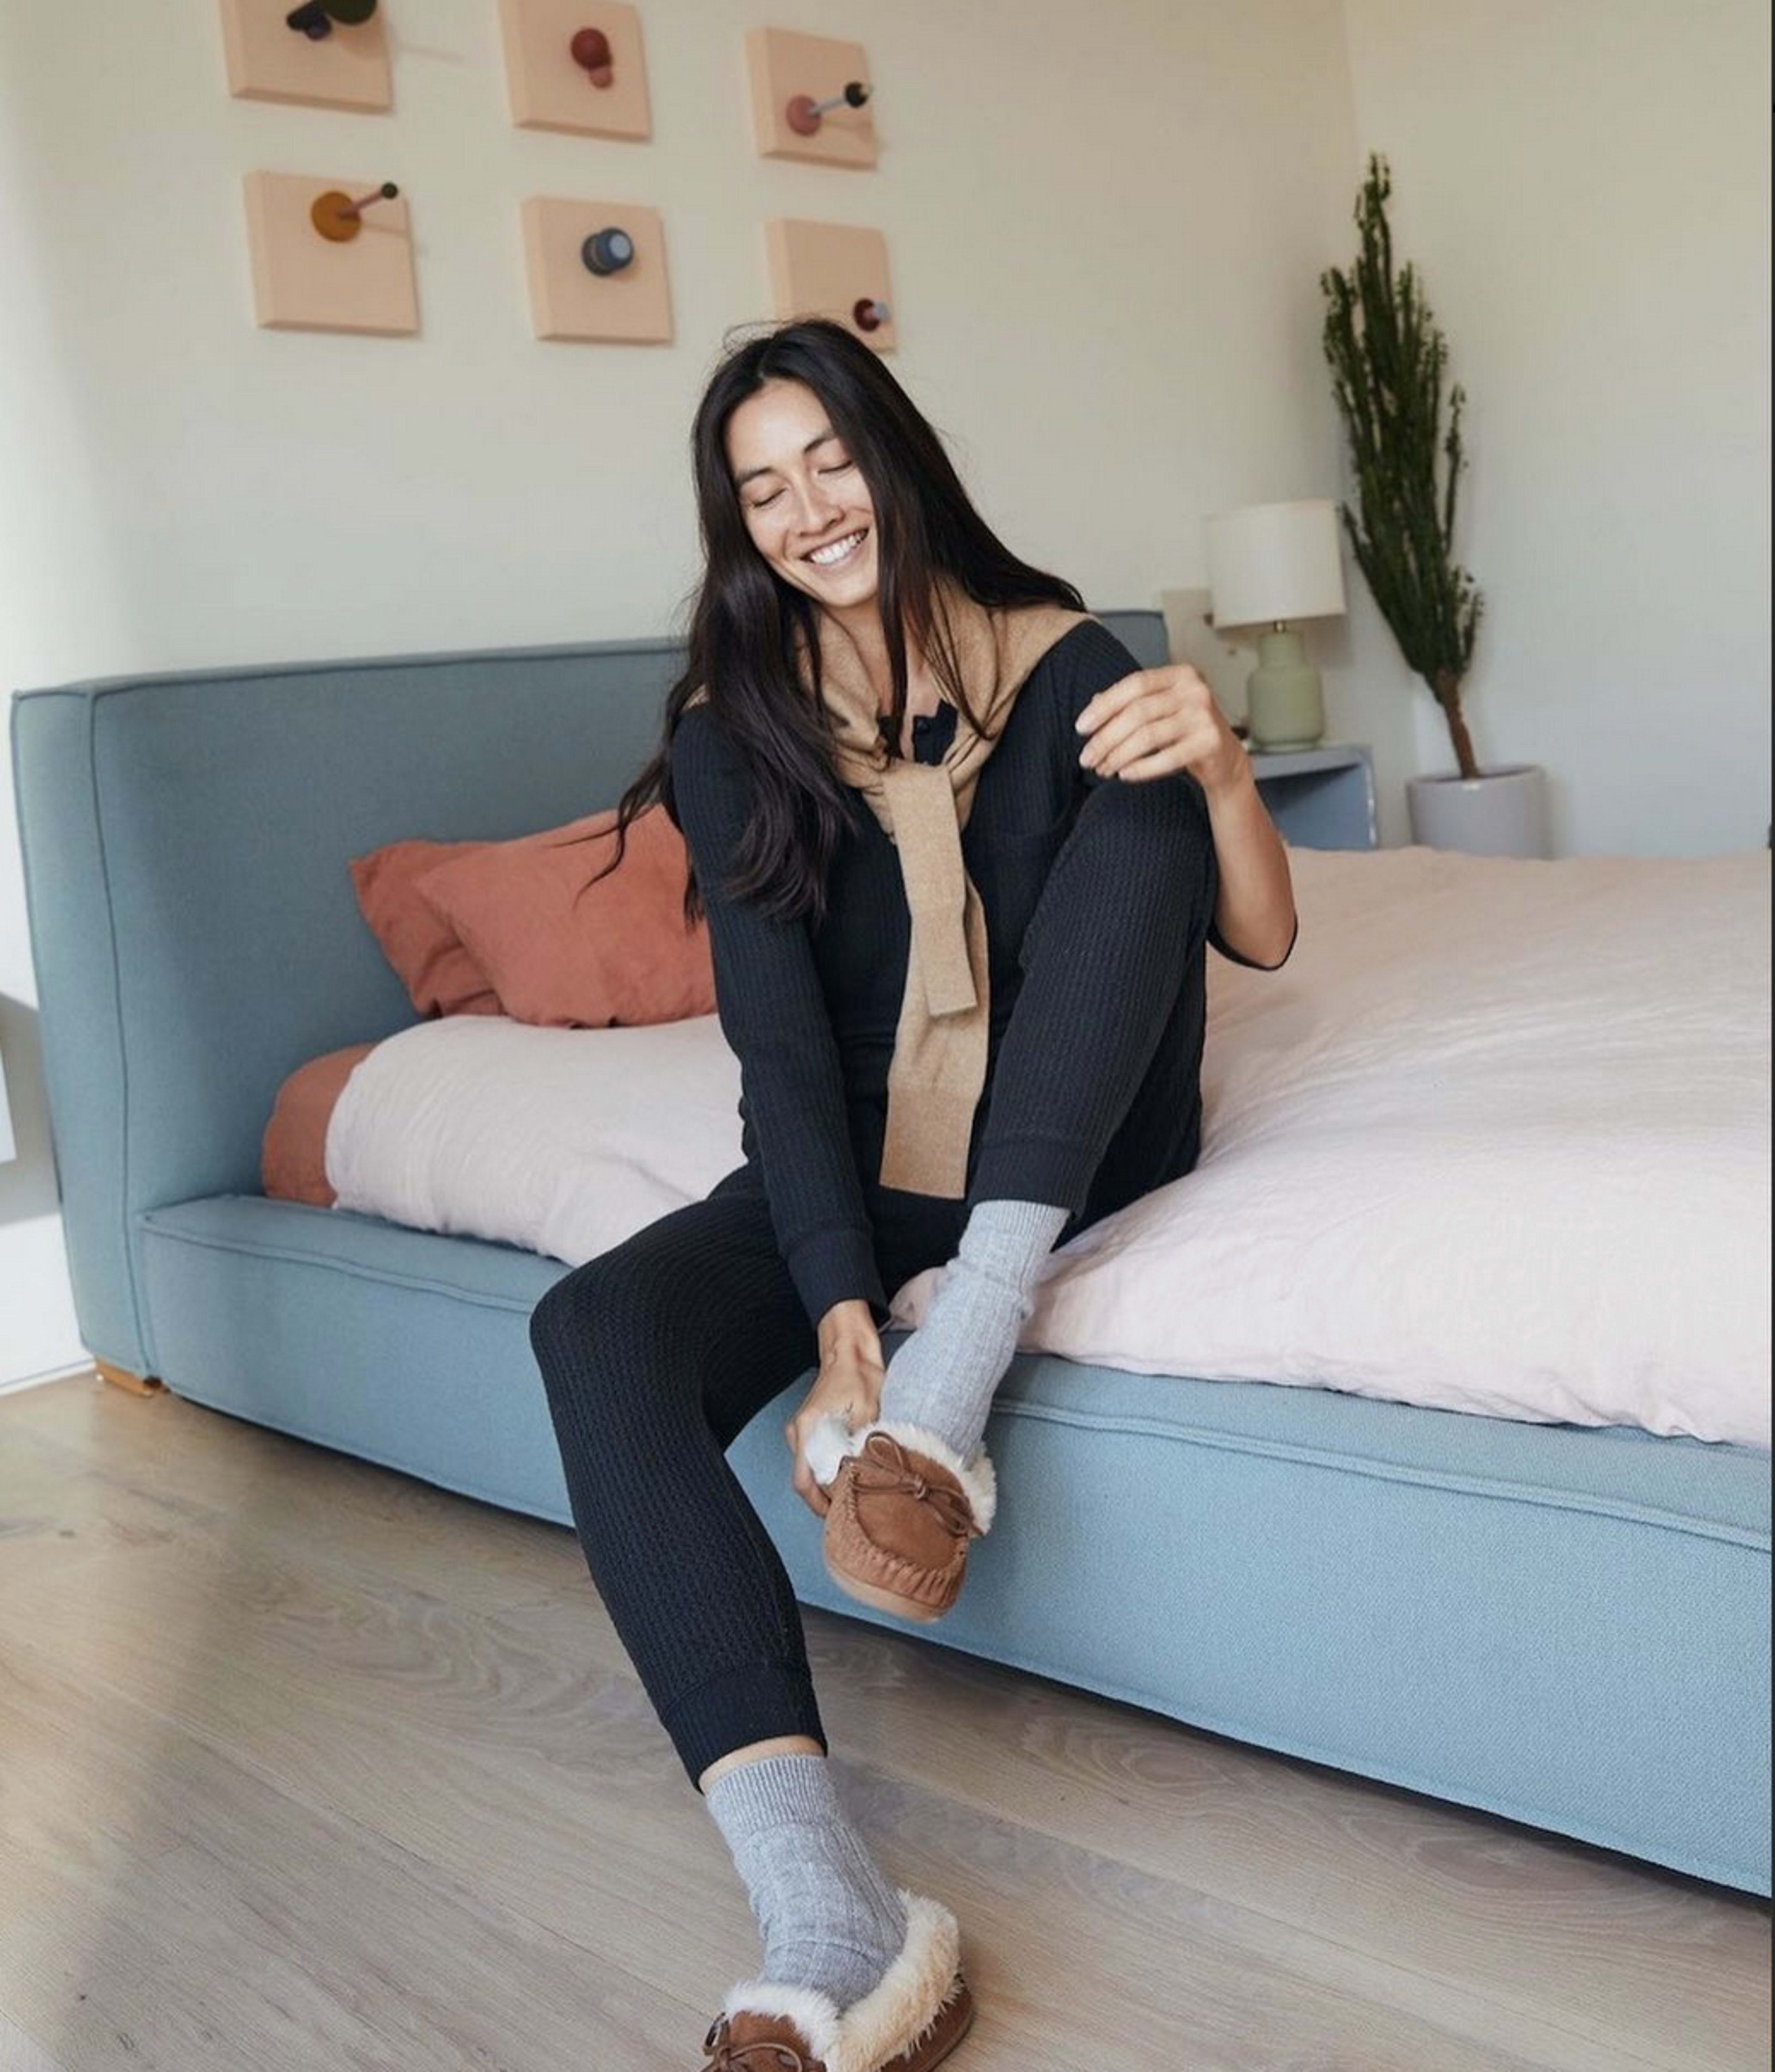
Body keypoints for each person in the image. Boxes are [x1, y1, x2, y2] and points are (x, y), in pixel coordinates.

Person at [527, 318, 1298, 2072]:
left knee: (1150, 782)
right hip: (866, 1173)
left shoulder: (1062, 654)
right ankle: (834, 1912)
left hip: (1069, 1135)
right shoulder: (739, 739)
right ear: (741, 526)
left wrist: (1227, 761)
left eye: (830, 461)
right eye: (762, 488)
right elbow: (785, 1065)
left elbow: (1257, 937)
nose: (810, 510)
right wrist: (837, 1315)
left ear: (894, 456)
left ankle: (962, 1377)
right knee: (591, 1332)